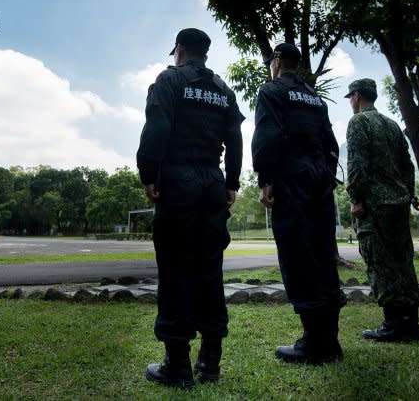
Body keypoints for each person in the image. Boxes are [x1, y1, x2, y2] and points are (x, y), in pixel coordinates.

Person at [137, 28, 244, 388]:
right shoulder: (223, 91)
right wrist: (231, 183)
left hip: (178, 185)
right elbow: (235, 138)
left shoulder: (169, 81)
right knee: (209, 271)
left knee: (175, 271)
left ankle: (177, 365)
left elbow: (157, 128)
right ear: (206, 55)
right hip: (212, 186)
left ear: (179, 50)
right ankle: (210, 363)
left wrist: (148, 173)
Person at [252, 43, 346, 365]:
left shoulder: (271, 91)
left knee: (298, 256)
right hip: (319, 183)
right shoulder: (315, 97)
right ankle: (330, 341)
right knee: (322, 256)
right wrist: (325, 177)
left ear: (277, 62)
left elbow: (267, 137)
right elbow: (331, 144)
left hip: (291, 183)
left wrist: (266, 179)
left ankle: (313, 343)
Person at [344, 78, 419, 342]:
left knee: (380, 262)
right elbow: (408, 166)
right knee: (402, 261)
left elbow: (356, 165)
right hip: (398, 204)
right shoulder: (390, 125)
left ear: (356, 96)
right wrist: (406, 195)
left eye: (351, 99)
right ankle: (411, 323)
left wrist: (355, 198)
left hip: (374, 206)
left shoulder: (359, 122)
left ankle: (393, 324)